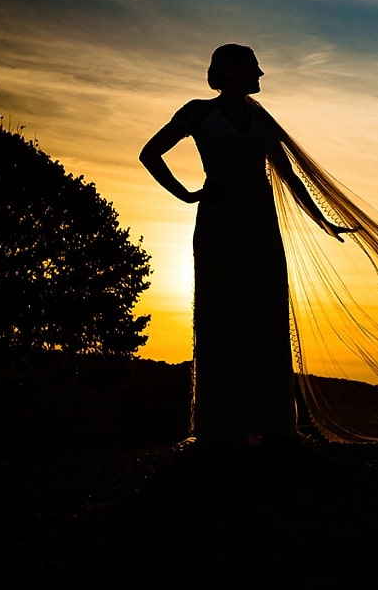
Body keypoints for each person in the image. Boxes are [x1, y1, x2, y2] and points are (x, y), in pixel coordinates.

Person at [140, 44, 351, 447]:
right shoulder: (197, 111)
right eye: (253, 66)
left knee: (266, 314)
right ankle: (222, 425)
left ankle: (271, 421)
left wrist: (320, 219)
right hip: (219, 222)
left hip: (260, 223)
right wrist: (185, 195)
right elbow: (150, 153)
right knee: (222, 313)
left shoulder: (261, 118)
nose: (261, 73)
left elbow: (288, 174)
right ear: (230, 70)